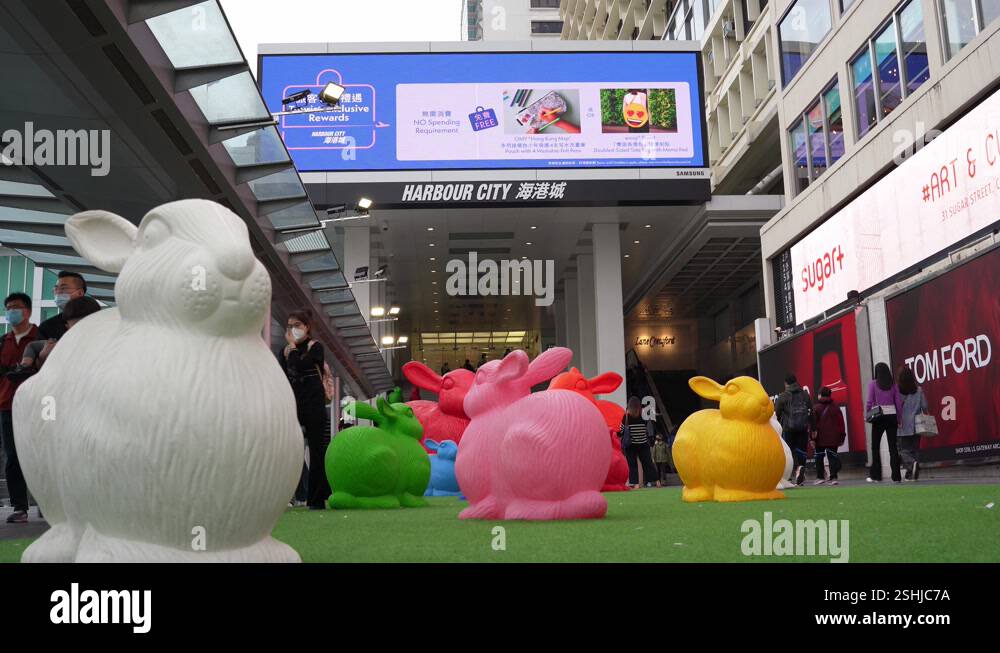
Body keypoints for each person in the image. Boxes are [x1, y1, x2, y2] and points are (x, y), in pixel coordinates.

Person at [278, 309, 331, 510]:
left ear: (307, 327)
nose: (293, 329)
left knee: (317, 451)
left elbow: (300, 366)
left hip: (314, 405)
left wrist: (292, 348)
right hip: (293, 406)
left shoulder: (315, 347)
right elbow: (284, 374)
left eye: (297, 325)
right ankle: (289, 495)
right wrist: (289, 349)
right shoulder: (284, 351)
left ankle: (316, 500)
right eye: (290, 326)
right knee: (289, 450)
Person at [0, 293, 40, 523]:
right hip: (7, 405)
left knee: (45, 452)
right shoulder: (2, 341)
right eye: (7, 307)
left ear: (28, 311)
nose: (11, 311)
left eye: (15, 307)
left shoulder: (41, 336)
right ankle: (19, 507)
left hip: (43, 403)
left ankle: (49, 504)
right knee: (13, 456)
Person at [22, 296, 101, 371]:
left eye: (84, 326)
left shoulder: (104, 346)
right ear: (67, 327)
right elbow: (32, 346)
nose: (80, 332)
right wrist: (27, 365)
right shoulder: (61, 345)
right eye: (75, 328)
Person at [866, 362, 903, 483]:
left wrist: (867, 414)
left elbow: (869, 402)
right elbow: (898, 403)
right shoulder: (894, 385)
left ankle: (876, 475)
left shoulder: (873, 384)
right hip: (892, 416)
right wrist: (899, 419)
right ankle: (896, 477)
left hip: (879, 417)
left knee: (875, 447)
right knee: (893, 447)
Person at [774, 374, 813, 486]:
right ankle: (800, 468)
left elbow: (776, 413)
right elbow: (811, 411)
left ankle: (789, 475)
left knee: (788, 452)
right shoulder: (805, 395)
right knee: (802, 451)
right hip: (803, 427)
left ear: (786, 384)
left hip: (788, 429)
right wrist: (813, 428)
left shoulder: (783, 396)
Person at [618, 396, 660, 488]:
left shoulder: (627, 416)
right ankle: (657, 481)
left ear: (629, 406)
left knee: (632, 465)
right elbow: (647, 428)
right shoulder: (644, 415)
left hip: (631, 445)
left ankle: (636, 484)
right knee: (648, 463)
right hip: (643, 444)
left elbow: (621, 430)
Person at [897, 365, 928, 482]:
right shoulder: (919, 390)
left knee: (902, 450)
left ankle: (912, 464)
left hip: (902, 426)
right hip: (916, 425)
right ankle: (912, 474)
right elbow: (925, 406)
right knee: (914, 450)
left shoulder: (897, 391)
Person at [37, 271, 87, 341]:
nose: (58, 292)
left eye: (63, 288)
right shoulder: (48, 326)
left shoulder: (95, 319)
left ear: (80, 293)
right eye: (56, 289)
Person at [810, 386, 845, 486]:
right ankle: (834, 478)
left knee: (819, 457)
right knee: (832, 457)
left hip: (819, 438)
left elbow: (813, 425)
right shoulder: (836, 408)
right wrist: (842, 436)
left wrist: (812, 438)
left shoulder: (816, 408)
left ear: (820, 395)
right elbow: (841, 424)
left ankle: (820, 477)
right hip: (834, 437)